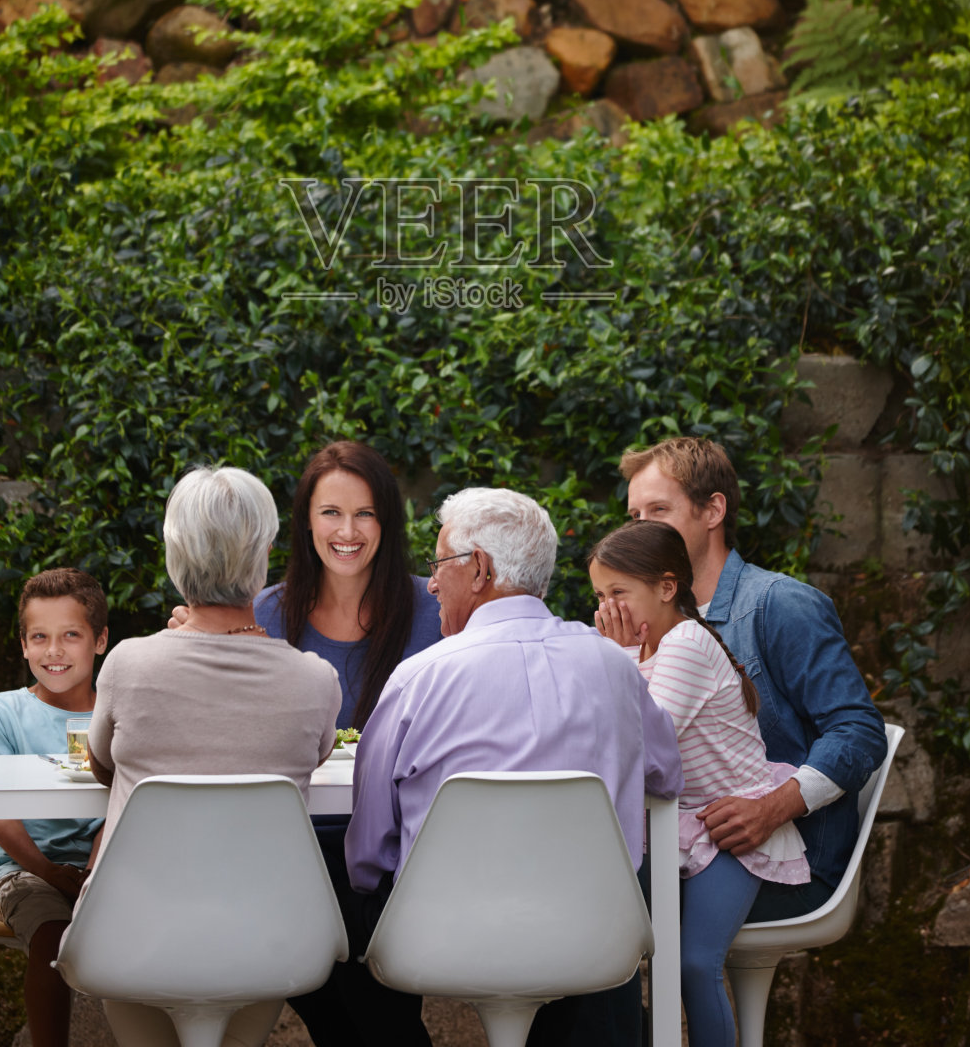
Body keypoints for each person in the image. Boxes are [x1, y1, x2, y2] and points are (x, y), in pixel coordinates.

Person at [291, 486, 683, 1047]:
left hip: (438, 935)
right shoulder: (611, 667)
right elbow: (667, 779)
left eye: (440, 564)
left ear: (478, 570)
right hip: (593, 934)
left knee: (331, 890)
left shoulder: (418, 679)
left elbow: (368, 852)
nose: (429, 583)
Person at [85, 465, 342, 1047]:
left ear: (176, 554)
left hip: (132, 936)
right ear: (265, 554)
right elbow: (317, 754)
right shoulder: (316, 680)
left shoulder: (128, 664)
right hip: (270, 937)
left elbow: (103, 762)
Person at [620, 435, 888, 920]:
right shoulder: (647, 621)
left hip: (788, 862)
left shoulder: (779, 605)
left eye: (658, 510)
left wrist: (772, 809)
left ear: (713, 510)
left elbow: (859, 732)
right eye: (634, 517)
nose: (641, 530)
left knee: (602, 893)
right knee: (586, 873)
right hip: (685, 848)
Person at [591, 521, 809, 1047]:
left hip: (733, 828)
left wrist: (613, 656)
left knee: (693, 962)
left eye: (620, 593)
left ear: (667, 588)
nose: (609, 610)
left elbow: (641, 745)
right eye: (600, 596)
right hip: (679, 827)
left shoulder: (685, 643)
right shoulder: (647, 647)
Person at [0, 567, 109, 1047]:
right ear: (23, 644)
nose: (54, 651)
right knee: (51, 932)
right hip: (20, 871)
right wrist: (48, 870)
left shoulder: (121, 713)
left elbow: (127, 802)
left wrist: (92, 870)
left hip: (109, 866)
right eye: (39, 637)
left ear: (100, 640)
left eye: (71, 635)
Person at [253, 440, 442, 730]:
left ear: (386, 521)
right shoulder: (260, 616)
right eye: (331, 512)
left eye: (365, 513)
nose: (348, 531)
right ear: (307, 519)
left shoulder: (440, 608)